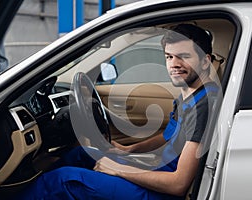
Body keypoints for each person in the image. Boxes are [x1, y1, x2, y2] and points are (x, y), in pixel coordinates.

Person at [16, 24, 220, 200]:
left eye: (184, 57)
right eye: (169, 56)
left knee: (63, 180)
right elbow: (171, 137)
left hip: (162, 191)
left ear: (205, 61)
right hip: (157, 168)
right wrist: (129, 150)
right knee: (81, 154)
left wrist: (118, 169)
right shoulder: (190, 95)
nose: (174, 64)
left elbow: (178, 184)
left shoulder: (203, 106)